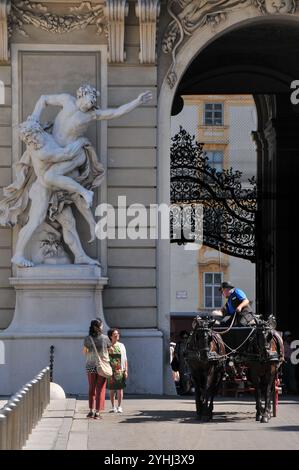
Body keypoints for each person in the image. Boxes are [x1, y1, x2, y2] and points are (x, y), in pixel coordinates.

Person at [83, 318, 112, 419]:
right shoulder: (105, 338)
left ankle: (91, 411)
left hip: (90, 365)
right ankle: (97, 412)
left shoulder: (87, 338)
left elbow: (84, 352)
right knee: (100, 389)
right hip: (102, 366)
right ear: (99, 327)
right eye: (102, 325)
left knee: (91, 388)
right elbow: (110, 350)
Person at [107, 328, 128, 413]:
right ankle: (113, 407)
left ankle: (119, 406)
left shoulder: (121, 345)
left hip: (120, 370)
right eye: (115, 334)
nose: (117, 335)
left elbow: (125, 359)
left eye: (117, 334)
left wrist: (126, 370)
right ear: (110, 336)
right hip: (111, 370)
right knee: (112, 389)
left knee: (120, 389)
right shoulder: (108, 346)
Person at [174, 330, 192, 395]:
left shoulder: (190, 344)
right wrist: (178, 360)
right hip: (181, 363)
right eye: (183, 338)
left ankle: (189, 390)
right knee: (183, 377)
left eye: (186, 338)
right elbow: (176, 353)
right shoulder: (179, 344)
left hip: (189, 363)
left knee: (189, 376)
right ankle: (184, 390)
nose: (185, 339)